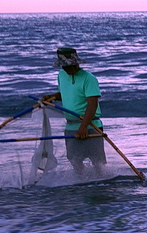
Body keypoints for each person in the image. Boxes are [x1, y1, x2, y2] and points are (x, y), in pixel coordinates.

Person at [41, 46, 106, 176]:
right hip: (71, 125)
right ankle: (83, 183)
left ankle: (101, 184)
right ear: (62, 67)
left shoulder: (89, 78)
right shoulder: (61, 75)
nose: (73, 68)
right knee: (74, 159)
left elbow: (92, 104)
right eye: (68, 66)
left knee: (97, 162)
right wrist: (52, 97)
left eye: (74, 65)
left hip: (91, 125)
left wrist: (84, 127)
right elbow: (65, 93)